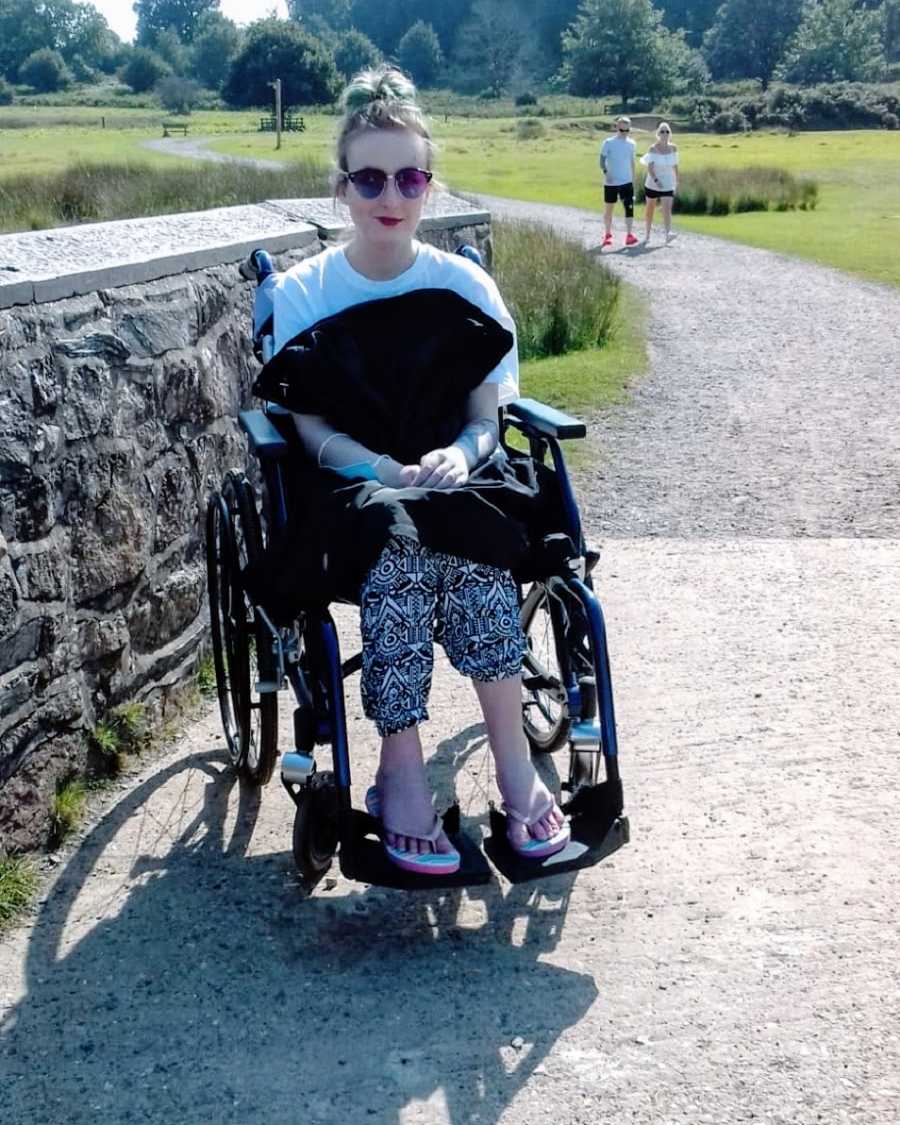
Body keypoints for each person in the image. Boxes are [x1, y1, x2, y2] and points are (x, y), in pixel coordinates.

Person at [261, 65, 570, 877]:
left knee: (468, 538)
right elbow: (307, 423)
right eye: (369, 177)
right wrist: (379, 467)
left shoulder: (461, 283)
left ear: (428, 185)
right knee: (399, 545)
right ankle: (400, 770)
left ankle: (514, 766)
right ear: (342, 187)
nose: (388, 194)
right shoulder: (303, 293)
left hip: (453, 473)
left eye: (408, 176)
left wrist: (457, 458)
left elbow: (485, 416)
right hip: (352, 484)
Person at [599, 115, 638, 249]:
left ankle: (629, 235)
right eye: (622, 130)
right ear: (617, 128)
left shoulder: (632, 144)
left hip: (626, 181)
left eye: (627, 131)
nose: (624, 133)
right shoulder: (608, 142)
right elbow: (601, 160)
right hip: (611, 182)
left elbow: (632, 162)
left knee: (629, 208)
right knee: (609, 210)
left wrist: (634, 179)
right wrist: (606, 173)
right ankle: (607, 234)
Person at [640, 122, 679, 243]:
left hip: (668, 182)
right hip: (653, 183)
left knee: (666, 208)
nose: (665, 134)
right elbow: (650, 168)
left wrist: (676, 180)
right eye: (662, 131)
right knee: (650, 208)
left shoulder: (673, 148)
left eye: (667, 131)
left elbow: (675, 166)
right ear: (658, 134)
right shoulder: (653, 148)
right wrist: (656, 180)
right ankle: (647, 234)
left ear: (670, 134)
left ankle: (668, 233)